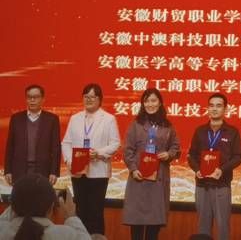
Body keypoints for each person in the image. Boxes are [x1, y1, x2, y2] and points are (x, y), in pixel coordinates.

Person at [61, 83, 121, 235]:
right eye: (86, 97)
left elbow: (115, 143)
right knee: (80, 211)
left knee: (95, 213)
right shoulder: (75, 118)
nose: (88, 100)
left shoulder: (108, 119)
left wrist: (99, 153)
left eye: (92, 97)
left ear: (99, 99)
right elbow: (66, 142)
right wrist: (69, 161)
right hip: (78, 171)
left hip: (98, 172)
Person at [122, 88, 181, 240]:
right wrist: (133, 169)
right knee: (136, 226)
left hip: (158, 179)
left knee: (154, 227)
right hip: (138, 178)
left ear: (160, 103)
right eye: (147, 101)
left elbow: (176, 147)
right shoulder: (135, 124)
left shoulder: (167, 126)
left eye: (153, 100)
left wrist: (169, 154)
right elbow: (127, 150)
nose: (150, 104)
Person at [187, 93, 241, 240]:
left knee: (223, 226)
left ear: (225, 109)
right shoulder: (200, 131)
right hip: (202, 184)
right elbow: (191, 155)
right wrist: (197, 170)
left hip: (222, 185)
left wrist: (222, 170)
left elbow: (238, 156)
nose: (214, 109)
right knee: (203, 227)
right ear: (208, 108)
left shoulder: (232, 131)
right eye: (211, 105)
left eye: (218, 106)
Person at [0, 173, 91, 239]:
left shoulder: (3, 230)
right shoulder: (66, 235)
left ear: (12, 206)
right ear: (51, 207)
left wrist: (21, 200)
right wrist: (71, 216)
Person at [4, 84, 61, 186]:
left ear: (43, 99)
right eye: (29, 97)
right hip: (19, 170)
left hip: (43, 171)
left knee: (40, 196)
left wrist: (54, 172)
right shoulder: (16, 119)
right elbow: (10, 146)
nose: (32, 100)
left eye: (36, 97)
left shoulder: (52, 119)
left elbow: (56, 148)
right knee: (21, 196)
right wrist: (8, 170)